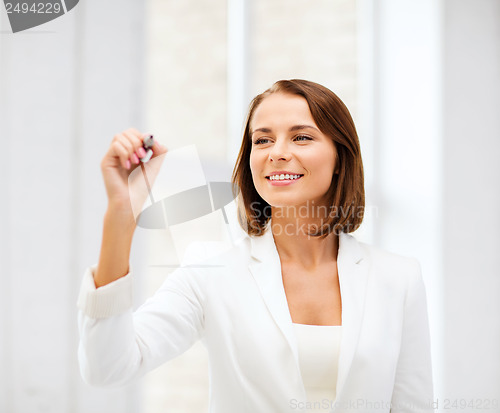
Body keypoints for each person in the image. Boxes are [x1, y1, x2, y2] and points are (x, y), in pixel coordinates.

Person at [77, 79, 434, 412]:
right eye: (262, 140)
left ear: (341, 158)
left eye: (302, 137)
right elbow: (108, 367)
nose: (276, 153)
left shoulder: (398, 278)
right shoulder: (210, 271)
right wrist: (121, 217)